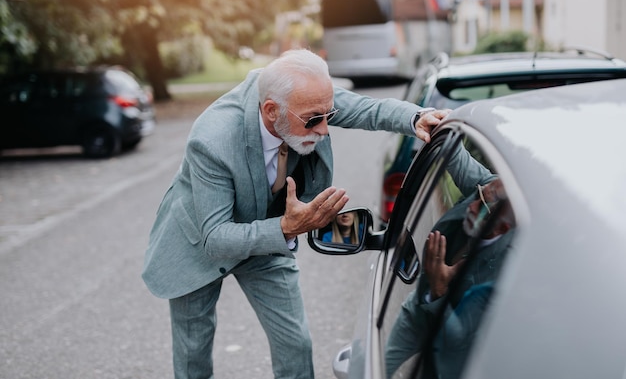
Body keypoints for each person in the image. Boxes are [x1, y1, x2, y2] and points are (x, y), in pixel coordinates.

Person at [141, 48, 449, 379]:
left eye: (328, 115)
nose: (324, 129)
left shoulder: (306, 98)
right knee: (193, 355)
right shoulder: (212, 140)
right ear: (271, 111)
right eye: (315, 120)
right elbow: (215, 239)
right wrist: (287, 227)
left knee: (296, 344)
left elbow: (368, 109)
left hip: (269, 238)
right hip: (200, 242)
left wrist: (415, 117)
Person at [385, 144, 516, 379]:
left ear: (504, 227)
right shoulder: (488, 188)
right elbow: (454, 153)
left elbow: (461, 338)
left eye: (482, 208)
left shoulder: (510, 268)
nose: (472, 206)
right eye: (478, 196)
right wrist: (429, 120)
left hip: (450, 342)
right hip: (416, 312)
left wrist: (439, 292)